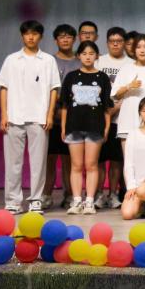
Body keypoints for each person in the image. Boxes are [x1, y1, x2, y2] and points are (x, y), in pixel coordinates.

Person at [0, 20, 60, 214]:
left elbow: (54, 89)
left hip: (39, 118)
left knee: (38, 162)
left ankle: (36, 200)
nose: (31, 37)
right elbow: (4, 87)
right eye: (27, 33)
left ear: (40, 36)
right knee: (12, 163)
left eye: (34, 33)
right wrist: (4, 114)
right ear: (22, 36)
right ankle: (13, 202)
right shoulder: (12, 60)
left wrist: (49, 114)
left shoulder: (48, 60)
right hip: (14, 116)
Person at [60, 40, 113, 215]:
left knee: (91, 165)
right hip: (74, 126)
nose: (88, 57)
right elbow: (65, 105)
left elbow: (106, 107)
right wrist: (63, 127)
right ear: (78, 56)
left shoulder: (103, 78)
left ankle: (89, 201)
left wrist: (106, 128)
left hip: (95, 126)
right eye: (84, 54)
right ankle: (76, 201)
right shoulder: (71, 77)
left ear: (97, 56)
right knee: (76, 165)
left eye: (91, 53)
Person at [112, 34, 145, 162]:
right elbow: (115, 95)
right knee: (129, 163)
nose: (142, 50)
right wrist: (129, 86)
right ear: (134, 50)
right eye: (138, 47)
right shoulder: (126, 68)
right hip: (128, 120)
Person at [45, 23, 79, 209]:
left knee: (69, 160)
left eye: (68, 36)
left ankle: (69, 194)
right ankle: (46, 195)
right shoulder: (48, 61)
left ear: (74, 39)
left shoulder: (79, 62)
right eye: (61, 36)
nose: (65, 40)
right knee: (49, 159)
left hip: (72, 118)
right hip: (50, 118)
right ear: (55, 40)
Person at [96, 27, 130, 209]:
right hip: (101, 118)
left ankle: (114, 194)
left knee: (117, 160)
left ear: (124, 43)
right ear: (107, 42)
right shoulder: (99, 61)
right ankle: (99, 194)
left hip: (121, 119)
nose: (116, 44)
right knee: (100, 160)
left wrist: (117, 107)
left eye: (119, 41)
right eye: (112, 41)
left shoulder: (131, 63)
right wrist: (106, 111)